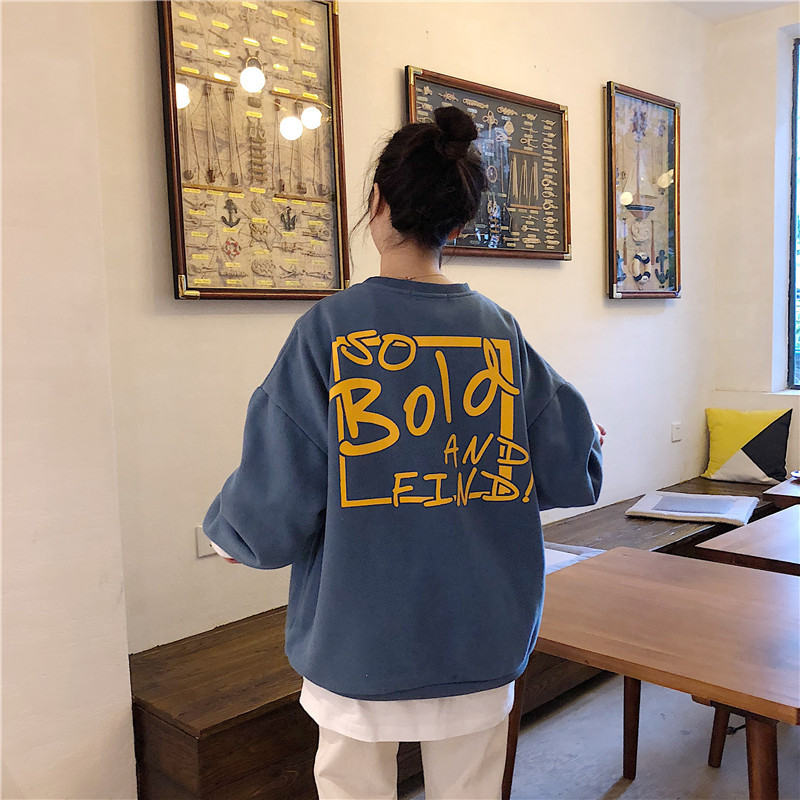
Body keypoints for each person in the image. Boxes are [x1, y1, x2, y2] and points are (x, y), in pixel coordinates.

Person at [204, 105, 603, 800]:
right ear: (459, 223)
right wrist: (588, 442)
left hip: (360, 641)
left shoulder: (329, 330)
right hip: (481, 634)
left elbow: (279, 480)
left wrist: (234, 535)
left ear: (377, 203)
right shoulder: (497, 331)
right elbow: (569, 464)